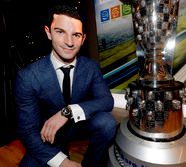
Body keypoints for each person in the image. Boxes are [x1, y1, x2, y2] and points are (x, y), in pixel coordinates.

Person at [15, 4, 117, 167]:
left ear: (83, 39)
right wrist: (62, 162)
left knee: (107, 123)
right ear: (48, 32)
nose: (69, 42)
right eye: (60, 32)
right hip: (48, 134)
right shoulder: (28, 76)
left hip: (78, 125)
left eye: (76, 35)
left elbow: (106, 100)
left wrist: (67, 112)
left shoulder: (90, 67)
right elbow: (27, 131)